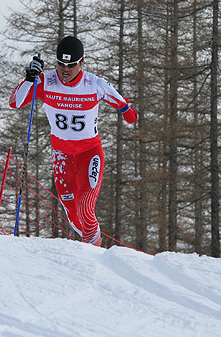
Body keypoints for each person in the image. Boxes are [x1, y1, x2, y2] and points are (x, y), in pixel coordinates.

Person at [9, 36, 137, 246]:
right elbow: (15, 102)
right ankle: (88, 246)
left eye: (71, 65)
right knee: (72, 212)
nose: (65, 70)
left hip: (89, 153)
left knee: (85, 207)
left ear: (82, 62)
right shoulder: (46, 81)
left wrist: (128, 111)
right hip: (62, 157)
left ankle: (93, 257)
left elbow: (127, 110)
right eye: (60, 64)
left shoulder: (94, 84)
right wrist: (29, 79)